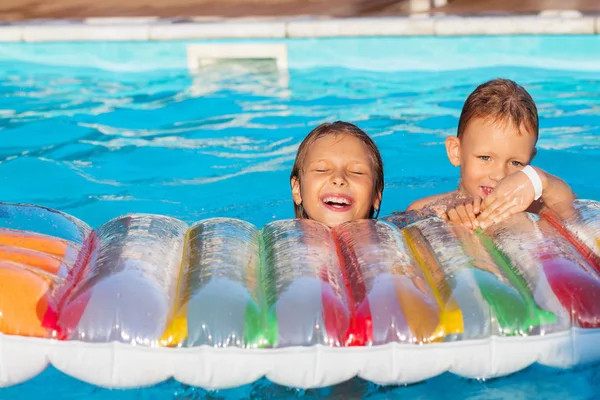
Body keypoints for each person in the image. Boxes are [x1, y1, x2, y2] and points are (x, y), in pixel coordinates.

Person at [407, 78, 576, 230]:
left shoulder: (537, 208)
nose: (499, 175)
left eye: (516, 163)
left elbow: (575, 213)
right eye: (485, 158)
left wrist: (540, 180)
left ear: (530, 160)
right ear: (455, 152)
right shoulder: (426, 211)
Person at [290, 121, 384, 228]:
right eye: (322, 170)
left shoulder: (397, 237)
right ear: (297, 189)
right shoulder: (278, 241)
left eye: (356, 172)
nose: (339, 179)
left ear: (376, 195)